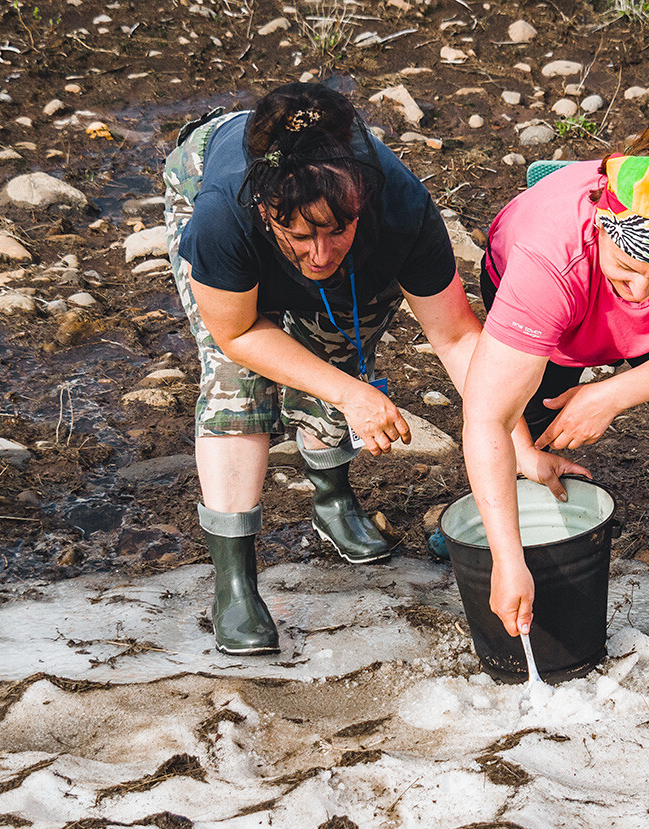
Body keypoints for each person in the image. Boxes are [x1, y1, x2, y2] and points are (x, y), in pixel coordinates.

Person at [163, 83, 503, 655]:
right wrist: (352, 397)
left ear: (361, 202)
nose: (319, 255)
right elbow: (238, 333)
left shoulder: (399, 204)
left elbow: (456, 335)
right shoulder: (225, 211)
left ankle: (331, 497)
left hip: (356, 237)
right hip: (211, 186)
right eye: (299, 236)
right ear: (268, 213)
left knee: (340, 351)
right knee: (235, 386)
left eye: (335, 232)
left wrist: (512, 437)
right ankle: (235, 583)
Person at [462, 128, 649, 657]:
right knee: (524, 424)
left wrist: (611, 394)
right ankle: (487, 536)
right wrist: (506, 558)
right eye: (627, 269)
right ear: (603, 225)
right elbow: (487, 415)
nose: (640, 293)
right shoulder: (547, 257)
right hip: (560, 299)